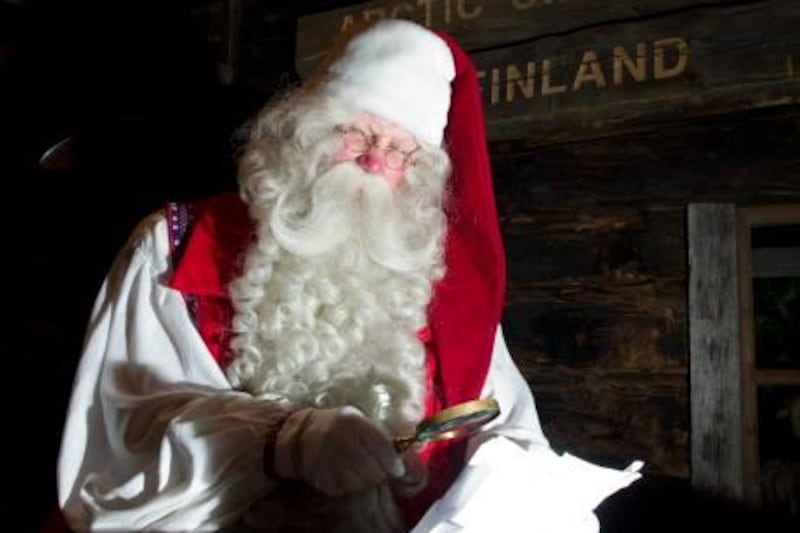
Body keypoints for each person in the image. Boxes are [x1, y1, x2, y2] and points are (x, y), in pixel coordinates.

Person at [57, 19, 639, 532]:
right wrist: (284, 441)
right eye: (355, 133)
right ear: (305, 131)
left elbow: (507, 430)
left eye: (401, 150)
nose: (374, 160)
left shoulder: (440, 283)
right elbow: (115, 447)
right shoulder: (174, 246)